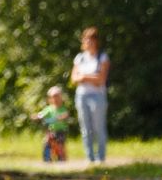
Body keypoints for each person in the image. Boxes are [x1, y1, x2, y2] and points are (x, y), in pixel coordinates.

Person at [69, 25, 111, 165]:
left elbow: (101, 80)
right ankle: (89, 157)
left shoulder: (102, 57)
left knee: (98, 127)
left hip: (97, 96)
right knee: (86, 128)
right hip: (81, 96)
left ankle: (101, 157)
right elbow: (74, 79)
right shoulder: (80, 58)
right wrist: (90, 77)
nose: (89, 42)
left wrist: (84, 77)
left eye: (92, 40)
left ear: (96, 41)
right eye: (86, 39)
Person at [32, 85, 73, 163]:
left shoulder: (62, 108)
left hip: (61, 131)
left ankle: (61, 159)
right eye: (53, 97)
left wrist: (60, 117)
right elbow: (41, 114)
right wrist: (37, 116)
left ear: (61, 97)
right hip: (51, 131)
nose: (55, 99)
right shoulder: (49, 109)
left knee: (60, 144)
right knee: (47, 142)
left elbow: (66, 114)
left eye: (57, 96)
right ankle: (47, 159)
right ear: (50, 99)